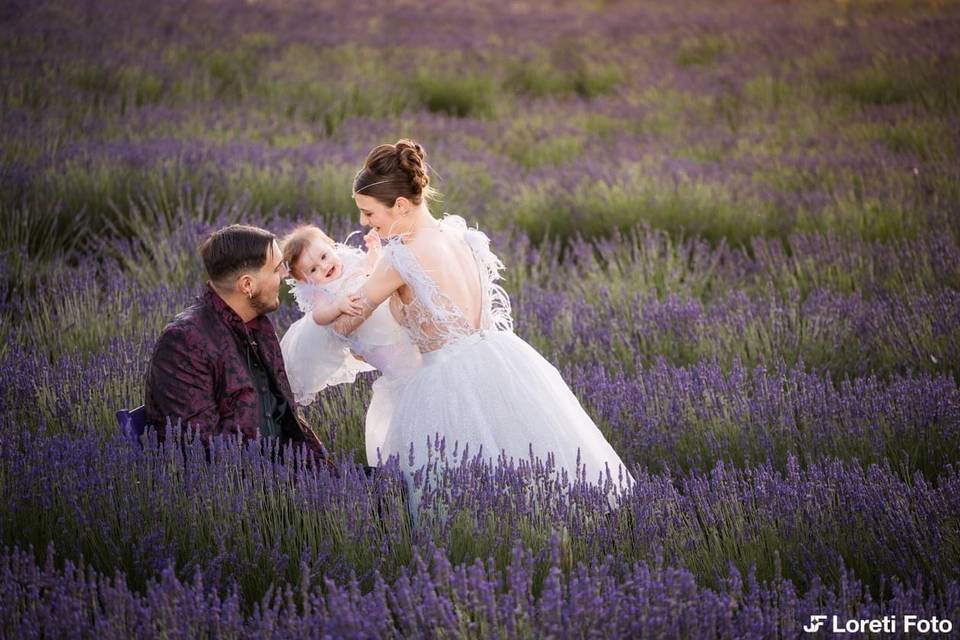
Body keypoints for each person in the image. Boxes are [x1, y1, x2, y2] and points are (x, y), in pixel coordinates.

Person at [329, 139, 634, 514]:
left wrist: (323, 302)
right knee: (532, 462)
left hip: (444, 379)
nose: (363, 223)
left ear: (402, 206)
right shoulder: (461, 235)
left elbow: (344, 324)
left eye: (368, 212)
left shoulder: (398, 258)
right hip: (499, 358)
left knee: (461, 492)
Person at [144, 224, 332, 467]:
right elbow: (202, 449)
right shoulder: (184, 343)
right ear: (247, 285)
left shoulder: (257, 326)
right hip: (242, 491)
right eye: (276, 269)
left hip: (286, 476)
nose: (285, 275)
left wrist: (328, 470)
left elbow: (285, 417)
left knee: (389, 485)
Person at [279, 223, 422, 465]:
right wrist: (339, 307)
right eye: (313, 269)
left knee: (415, 358)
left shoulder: (348, 261)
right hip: (374, 343)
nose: (325, 266)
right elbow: (319, 316)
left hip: (390, 324)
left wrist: (374, 249)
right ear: (305, 279)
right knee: (403, 376)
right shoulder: (320, 292)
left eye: (324, 256)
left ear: (332, 245)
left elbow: (371, 267)